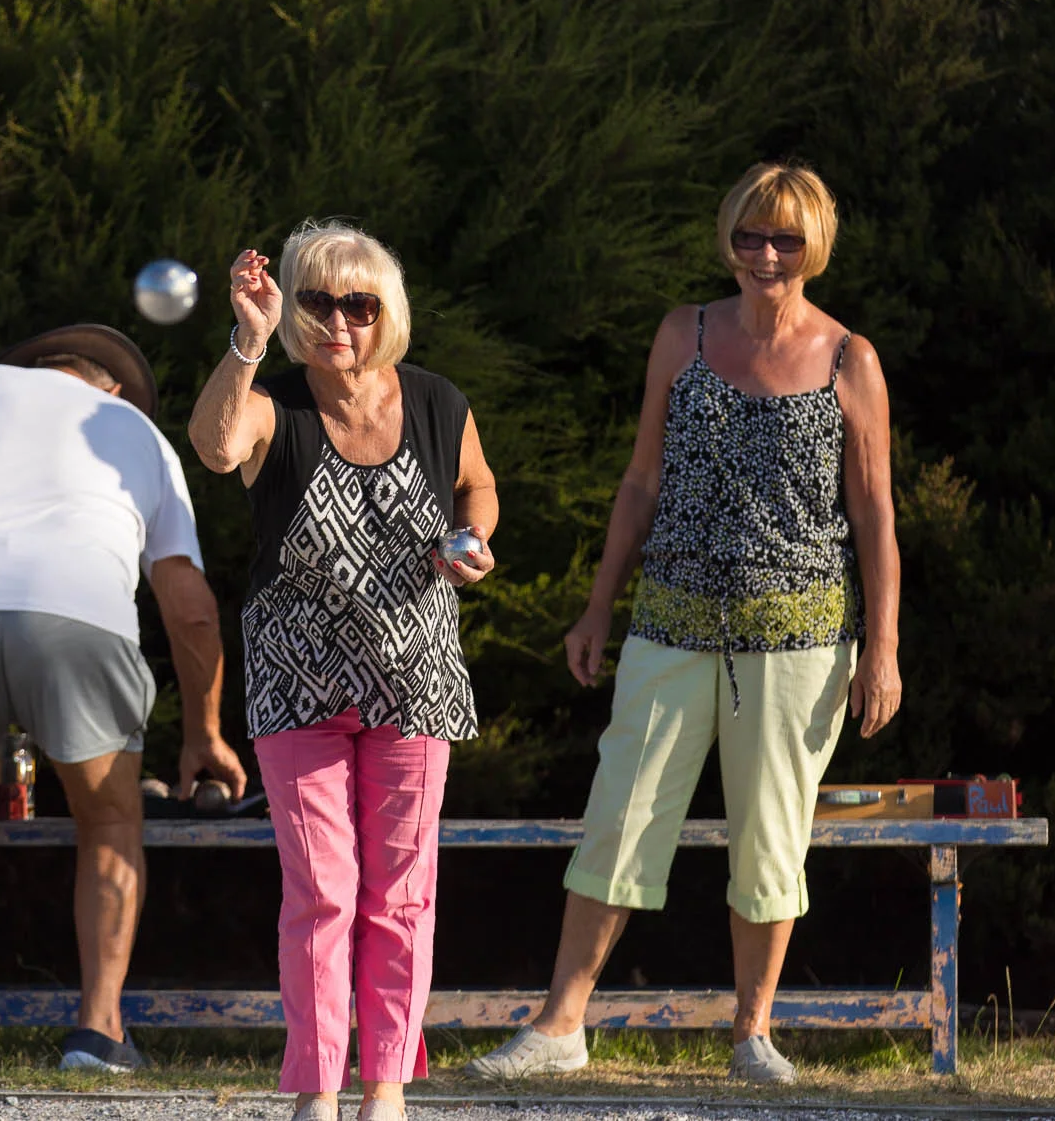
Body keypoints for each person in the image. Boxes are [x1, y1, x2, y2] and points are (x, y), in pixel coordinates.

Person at [465, 161, 901, 1085]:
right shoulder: (683, 334)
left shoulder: (850, 359)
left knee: (772, 831)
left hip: (803, 635)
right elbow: (641, 480)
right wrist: (597, 606)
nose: (765, 255)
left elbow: (875, 516)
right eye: (749, 236)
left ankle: (752, 1034)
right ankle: (560, 1025)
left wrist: (885, 649)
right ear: (729, 241)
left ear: (814, 245)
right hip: (669, 618)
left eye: (784, 238)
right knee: (619, 811)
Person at [0, 323, 247, 1075]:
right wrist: (205, 731)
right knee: (111, 818)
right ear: (115, 389)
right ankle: (96, 1032)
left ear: (31, 370)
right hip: (78, 612)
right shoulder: (137, 432)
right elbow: (189, 605)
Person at [188, 222, 499, 1121]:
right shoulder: (272, 403)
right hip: (298, 680)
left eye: (357, 304)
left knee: (401, 893)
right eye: (317, 301)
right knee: (322, 893)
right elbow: (214, 445)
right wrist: (246, 340)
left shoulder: (438, 401)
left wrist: (475, 538)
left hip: (417, 675)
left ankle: (388, 1089)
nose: (337, 322)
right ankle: (319, 1092)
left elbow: (478, 483)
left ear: (386, 313)